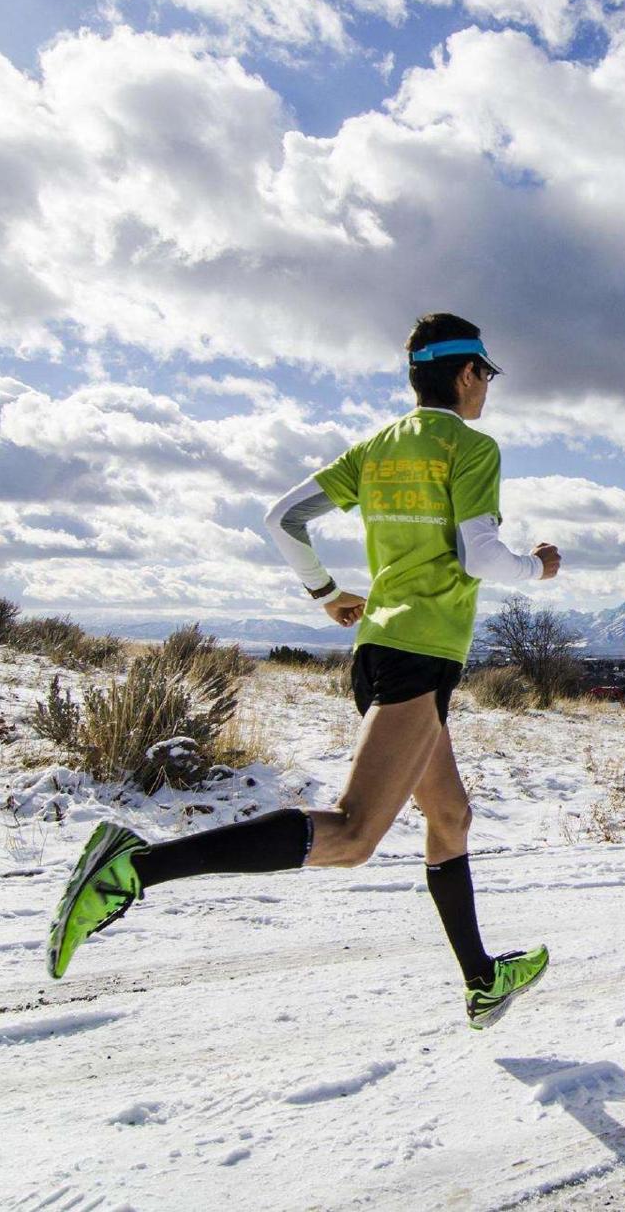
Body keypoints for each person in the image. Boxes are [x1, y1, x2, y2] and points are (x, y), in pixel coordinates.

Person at [46, 312, 560, 1030]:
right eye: (487, 377)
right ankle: (135, 867)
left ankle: (480, 978)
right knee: (351, 837)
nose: (487, 392)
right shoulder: (471, 449)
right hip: (418, 659)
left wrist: (325, 593)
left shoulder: (376, 451)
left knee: (450, 814)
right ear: (469, 374)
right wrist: (538, 566)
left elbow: (281, 517)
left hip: (382, 649)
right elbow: (479, 556)